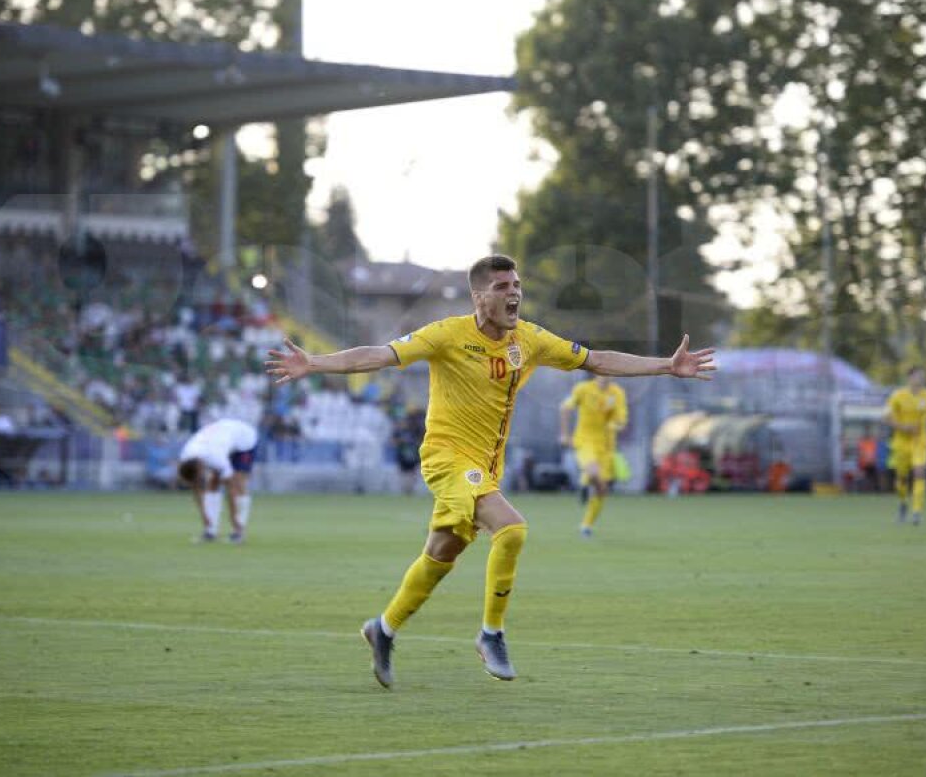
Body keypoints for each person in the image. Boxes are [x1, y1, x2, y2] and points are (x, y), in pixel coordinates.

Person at [266, 254, 715, 688]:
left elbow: (596, 360)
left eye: (517, 286)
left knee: (441, 554)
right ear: (479, 296)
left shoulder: (531, 340)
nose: (514, 293)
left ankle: (383, 628)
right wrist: (316, 363)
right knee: (513, 530)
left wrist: (666, 366)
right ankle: (491, 634)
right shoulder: (446, 334)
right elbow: (379, 355)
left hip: (484, 467)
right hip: (445, 458)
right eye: (503, 287)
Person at [559, 374, 628, 538]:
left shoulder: (617, 393)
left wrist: (615, 424)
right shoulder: (583, 389)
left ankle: (586, 526)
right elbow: (565, 408)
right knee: (593, 472)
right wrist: (564, 434)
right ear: (597, 372)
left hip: (606, 446)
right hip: (584, 440)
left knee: (602, 489)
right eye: (604, 370)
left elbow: (621, 419)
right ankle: (584, 484)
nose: (607, 375)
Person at [175, 418, 258, 544]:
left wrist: (233, 518)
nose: (199, 481)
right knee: (213, 482)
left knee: (238, 483)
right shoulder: (186, 455)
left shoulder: (216, 457)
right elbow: (195, 487)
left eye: (199, 477)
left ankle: (238, 531)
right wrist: (204, 516)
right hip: (222, 438)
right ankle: (210, 531)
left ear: (200, 468)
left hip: (244, 440)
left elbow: (230, 489)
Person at [883, 366, 926, 526]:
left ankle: (917, 511)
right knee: (901, 477)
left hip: (920, 441)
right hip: (901, 442)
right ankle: (902, 502)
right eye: (917, 376)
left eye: (922, 376)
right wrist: (903, 427)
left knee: (919, 472)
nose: (920, 379)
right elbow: (886, 418)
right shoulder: (897, 395)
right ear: (910, 378)